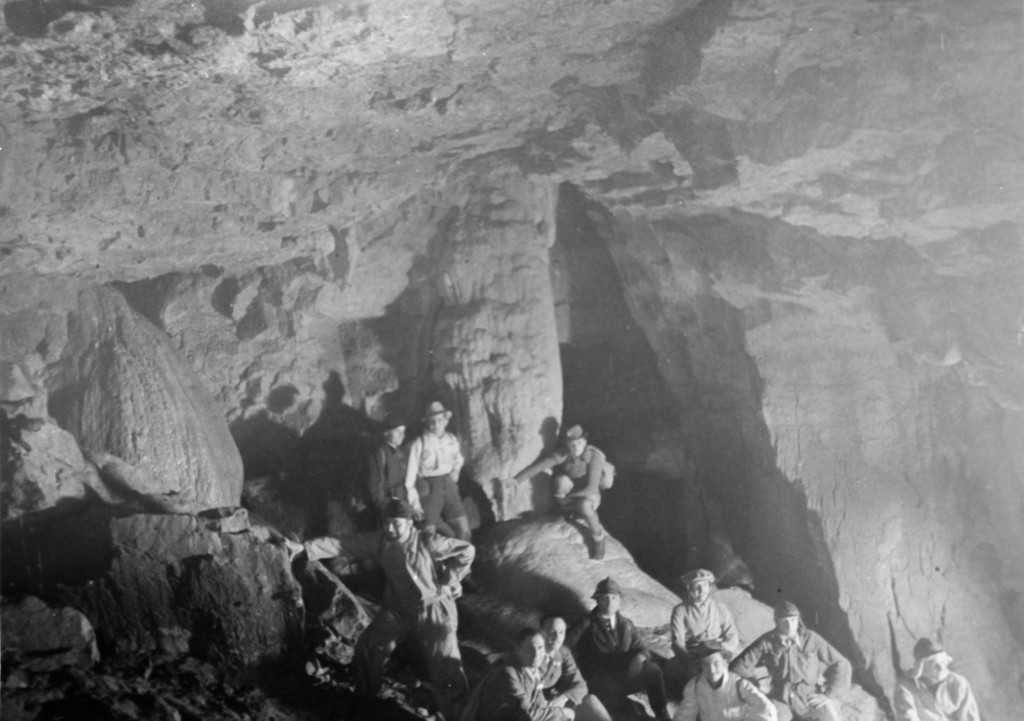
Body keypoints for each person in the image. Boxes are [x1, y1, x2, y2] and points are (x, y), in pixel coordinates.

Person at [350, 498, 474, 719]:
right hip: (398, 607)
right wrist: (305, 548)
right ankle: (364, 703)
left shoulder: (428, 542)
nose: (390, 528)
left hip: (433, 607)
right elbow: (342, 543)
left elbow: (467, 550)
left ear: (410, 524)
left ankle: (460, 717)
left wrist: (451, 577)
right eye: (386, 523)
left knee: (446, 668)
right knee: (369, 647)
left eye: (396, 523)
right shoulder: (379, 542)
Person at [566, 578, 669, 720]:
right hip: (601, 682)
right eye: (605, 598)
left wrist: (639, 658)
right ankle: (633, 709)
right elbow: (565, 645)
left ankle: (662, 713)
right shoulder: (586, 623)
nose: (610, 602)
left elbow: (642, 648)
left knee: (653, 670)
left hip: (625, 675)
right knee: (628, 715)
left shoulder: (626, 624)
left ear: (619, 600)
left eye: (614, 598)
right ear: (597, 600)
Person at [731, 600, 851, 721]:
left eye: (793, 620)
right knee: (771, 717)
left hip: (809, 697)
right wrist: (756, 686)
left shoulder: (811, 638)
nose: (789, 626)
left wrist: (828, 694)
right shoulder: (767, 641)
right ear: (776, 621)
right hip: (781, 698)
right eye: (784, 621)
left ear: (798, 620)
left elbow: (842, 664)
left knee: (829, 718)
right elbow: (737, 666)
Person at [509, 424, 609, 559]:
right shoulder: (564, 453)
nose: (576, 448)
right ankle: (567, 512)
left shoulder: (594, 457)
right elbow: (539, 466)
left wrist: (567, 498)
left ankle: (598, 538)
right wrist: (516, 480)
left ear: (585, 442)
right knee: (560, 480)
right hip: (572, 491)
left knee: (583, 505)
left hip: (590, 495)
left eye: (579, 443)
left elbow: (591, 487)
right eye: (572, 444)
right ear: (567, 444)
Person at [665, 568, 741, 698]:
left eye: (705, 585)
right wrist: (692, 661)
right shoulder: (680, 611)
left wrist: (722, 650)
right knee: (697, 681)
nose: (702, 590)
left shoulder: (720, 608)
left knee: (729, 680)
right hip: (694, 655)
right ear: (689, 589)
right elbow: (678, 643)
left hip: (717, 652)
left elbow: (732, 636)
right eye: (697, 586)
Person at [472, 627, 575, 721]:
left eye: (540, 648)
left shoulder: (532, 671)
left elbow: (541, 705)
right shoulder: (508, 673)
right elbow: (526, 713)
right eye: (530, 649)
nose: (536, 655)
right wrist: (561, 713)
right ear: (518, 650)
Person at [406, 401, 471, 541]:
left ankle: (464, 562)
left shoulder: (451, 440)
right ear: (427, 423)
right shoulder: (419, 443)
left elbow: (458, 458)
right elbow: (409, 479)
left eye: (440, 420)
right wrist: (415, 505)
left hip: (449, 486)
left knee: (464, 531)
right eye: (432, 422)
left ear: (446, 421)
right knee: (429, 533)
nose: (436, 425)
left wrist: (456, 471)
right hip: (429, 488)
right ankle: (431, 562)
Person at [539, 615, 612, 721]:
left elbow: (581, 685)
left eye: (561, 632)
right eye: (551, 631)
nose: (557, 638)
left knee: (590, 700)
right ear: (541, 632)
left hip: (557, 704)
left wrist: (563, 698)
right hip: (539, 711)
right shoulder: (531, 654)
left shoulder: (563, 653)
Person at [675, 647, 776, 721]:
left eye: (716, 663)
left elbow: (766, 708)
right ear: (701, 666)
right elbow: (685, 715)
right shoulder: (695, 686)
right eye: (706, 664)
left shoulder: (738, 684)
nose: (711, 669)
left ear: (725, 663)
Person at [893, 638, 980, 721]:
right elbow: (907, 717)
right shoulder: (905, 685)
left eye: (943, 662)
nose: (941, 668)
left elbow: (970, 717)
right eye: (934, 664)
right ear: (921, 667)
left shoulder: (958, 683)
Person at [366, 415, 408, 519]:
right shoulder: (380, 453)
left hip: (401, 499)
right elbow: (375, 482)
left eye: (403, 432)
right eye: (398, 431)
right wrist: (384, 505)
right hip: (388, 503)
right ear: (386, 432)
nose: (402, 435)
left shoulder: (399, 452)